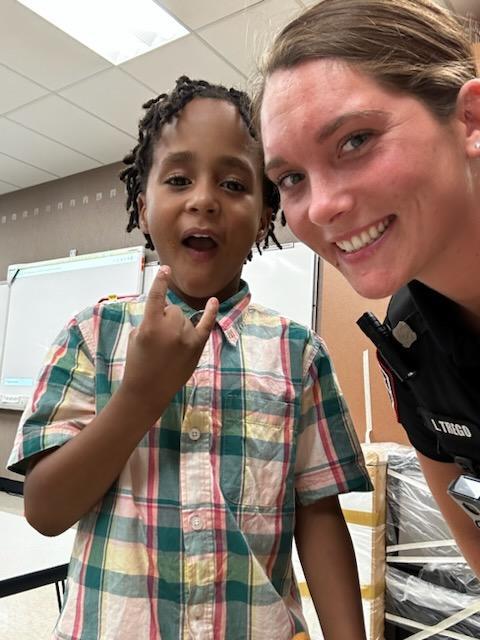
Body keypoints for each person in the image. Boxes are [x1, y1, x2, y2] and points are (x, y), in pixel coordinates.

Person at [8, 76, 371, 640]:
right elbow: (45, 511)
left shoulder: (298, 354)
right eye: (178, 179)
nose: (204, 199)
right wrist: (140, 396)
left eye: (233, 183)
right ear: (142, 203)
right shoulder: (91, 334)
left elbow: (318, 516)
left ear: (266, 215)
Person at [256, 0, 480, 575]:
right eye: (291, 178)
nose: (323, 206)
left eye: (355, 141)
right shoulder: (410, 336)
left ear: (471, 122)